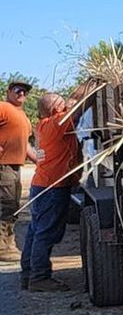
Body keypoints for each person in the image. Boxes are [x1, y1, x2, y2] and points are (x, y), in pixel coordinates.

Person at [23, 93, 78, 292]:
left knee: (36, 231)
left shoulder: (44, 124)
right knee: (46, 233)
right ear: (56, 110)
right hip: (53, 187)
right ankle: (39, 277)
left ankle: (28, 274)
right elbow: (78, 108)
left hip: (42, 185)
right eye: (62, 105)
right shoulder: (56, 123)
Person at [0, 81, 35, 264]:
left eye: (25, 92)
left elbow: (26, 145)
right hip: (3, 166)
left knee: (14, 204)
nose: (22, 93)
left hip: (15, 166)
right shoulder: (3, 107)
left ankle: (8, 243)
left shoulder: (22, 116)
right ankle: (3, 248)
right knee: (6, 204)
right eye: (18, 90)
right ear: (9, 92)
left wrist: (40, 161)